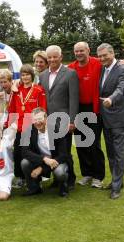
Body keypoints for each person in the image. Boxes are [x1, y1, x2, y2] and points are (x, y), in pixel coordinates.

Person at [39, 45, 79, 188]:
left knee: (66, 151)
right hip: (47, 122)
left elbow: (74, 99)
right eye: (49, 57)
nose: (52, 59)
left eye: (55, 56)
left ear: (61, 57)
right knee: (53, 151)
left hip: (64, 120)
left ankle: (71, 179)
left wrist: (72, 121)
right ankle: (58, 179)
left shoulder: (70, 73)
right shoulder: (42, 75)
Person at [68, 42, 106, 188]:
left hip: (93, 108)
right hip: (77, 109)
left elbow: (113, 64)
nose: (79, 53)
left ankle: (98, 176)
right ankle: (87, 174)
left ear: (88, 50)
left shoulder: (98, 63)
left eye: (81, 51)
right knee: (81, 143)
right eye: (76, 51)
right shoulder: (71, 68)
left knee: (94, 143)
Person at [97, 43, 124, 199]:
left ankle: (116, 187)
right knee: (111, 153)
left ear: (112, 54)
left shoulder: (123, 68)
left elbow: (123, 87)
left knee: (119, 153)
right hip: (106, 118)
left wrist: (111, 99)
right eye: (100, 56)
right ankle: (117, 181)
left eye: (105, 55)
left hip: (119, 118)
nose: (103, 58)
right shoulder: (103, 68)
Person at [6, 64, 47, 189]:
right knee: (18, 152)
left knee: (33, 153)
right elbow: (12, 109)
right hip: (20, 126)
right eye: (23, 75)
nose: (25, 77)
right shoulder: (17, 91)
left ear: (32, 76)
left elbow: (43, 108)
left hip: (33, 125)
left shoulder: (38, 90)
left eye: (27, 75)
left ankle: (37, 178)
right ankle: (21, 177)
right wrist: (9, 124)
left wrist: (40, 124)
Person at [21, 108, 71, 197]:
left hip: (57, 160)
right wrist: (44, 159)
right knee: (25, 163)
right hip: (41, 160)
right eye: (35, 120)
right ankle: (34, 188)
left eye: (40, 119)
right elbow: (25, 151)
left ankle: (63, 187)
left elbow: (64, 154)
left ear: (46, 118)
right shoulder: (29, 130)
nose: (37, 122)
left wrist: (41, 168)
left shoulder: (57, 129)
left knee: (60, 172)